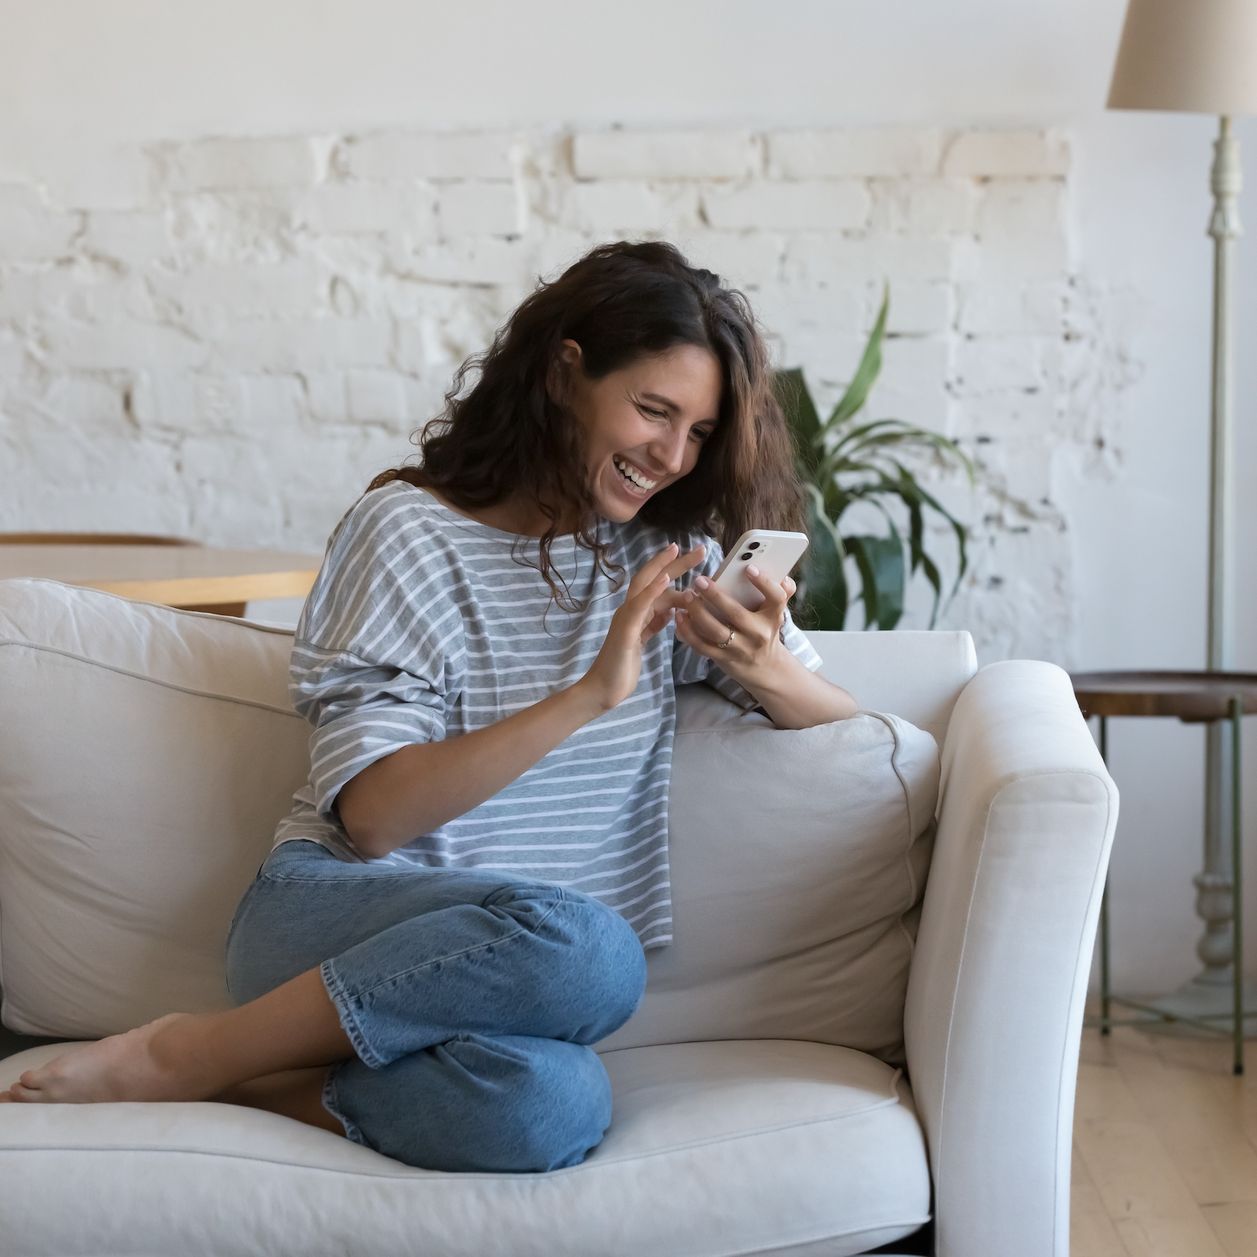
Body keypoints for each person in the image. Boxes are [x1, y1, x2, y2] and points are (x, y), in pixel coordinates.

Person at [0, 239, 859, 1171]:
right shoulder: (407, 532)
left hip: (491, 980)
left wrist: (764, 663)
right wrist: (591, 693)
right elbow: (371, 817)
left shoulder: (664, 555)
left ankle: (253, 1079)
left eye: (696, 431)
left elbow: (852, 737)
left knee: (552, 1107)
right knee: (593, 950)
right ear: (565, 373)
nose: (670, 454)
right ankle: (186, 1050)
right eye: (652, 409)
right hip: (329, 917)